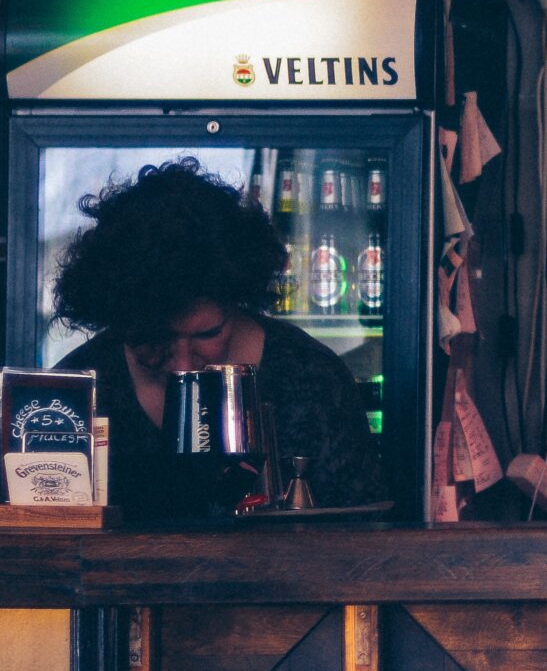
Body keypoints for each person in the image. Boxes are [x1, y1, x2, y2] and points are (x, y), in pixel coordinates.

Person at [52, 162, 386, 520]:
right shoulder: (75, 392)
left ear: (236, 302)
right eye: (153, 339)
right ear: (119, 320)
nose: (182, 364)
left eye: (207, 334)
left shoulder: (312, 378)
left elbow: (361, 537)